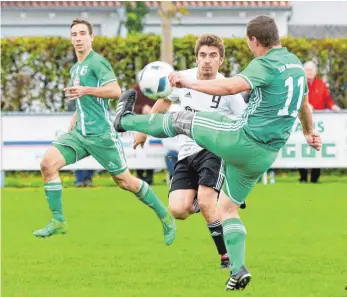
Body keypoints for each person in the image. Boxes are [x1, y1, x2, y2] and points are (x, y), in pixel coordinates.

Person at [113, 15, 322, 290]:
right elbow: (303, 105)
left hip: (241, 139)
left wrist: (188, 84)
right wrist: (308, 132)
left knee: (183, 121)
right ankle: (238, 270)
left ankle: (124, 120)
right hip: (265, 155)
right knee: (227, 208)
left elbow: (231, 86)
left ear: (254, 41)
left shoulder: (264, 64)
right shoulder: (295, 65)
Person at [33, 19, 176, 246]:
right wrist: (76, 115)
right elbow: (84, 101)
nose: (78, 38)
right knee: (47, 164)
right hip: (80, 134)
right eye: (74, 34)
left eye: (82, 33)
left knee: (125, 181)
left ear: (91, 37)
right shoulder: (75, 68)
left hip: (101, 136)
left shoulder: (98, 63)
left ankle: (164, 216)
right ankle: (58, 221)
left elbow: (115, 91)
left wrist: (86, 90)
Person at [132, 34, 247, 269]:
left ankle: (226, 257)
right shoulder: (182, 79)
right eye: (203, 55)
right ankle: (213, 198)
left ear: (221, 61)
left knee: (206, 202)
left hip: (214, 150)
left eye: (212, 56)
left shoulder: (228, 88)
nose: (207, 60)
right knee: (178, 209)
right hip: (186, 153)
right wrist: (144, 130)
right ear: (196, 58)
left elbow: (244, 122)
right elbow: (164, 102)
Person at [298, 61, 341, 183]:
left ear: (315, 71)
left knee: (317, 146)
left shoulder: (321, 84)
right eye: (307, 70)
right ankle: (303, 176)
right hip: (303, 123)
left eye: (311, 70)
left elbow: (328, 100)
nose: (309, 72)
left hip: (320, 123)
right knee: (301, 147)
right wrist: (306, 106)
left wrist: (334, 107)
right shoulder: (300, 84)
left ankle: (315, 177)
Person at [66, 99, 95, 187]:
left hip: (92, 130)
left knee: (91, 156)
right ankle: (80, 179)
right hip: (78, 131)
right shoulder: (73, 100)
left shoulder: (97, 96)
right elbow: (69, 113)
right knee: (77, 155)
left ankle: (87, 178)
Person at [132, 83, 155, 185]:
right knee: (138, 149)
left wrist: (152, 109)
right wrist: (141, 108)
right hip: (138, 122)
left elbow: (162, 103)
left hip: (153, 123)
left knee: (152, 150)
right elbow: (130, 106)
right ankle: (139, 175)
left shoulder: (156, 87)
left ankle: (150, 176)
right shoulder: (135, 89)